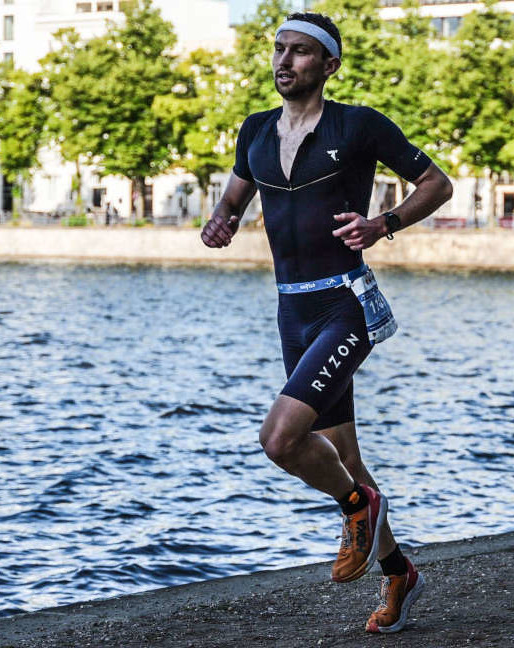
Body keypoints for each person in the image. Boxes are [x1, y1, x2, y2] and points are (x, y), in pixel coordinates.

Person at [200, 12, 452, 634]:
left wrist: (383, 223)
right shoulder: (255, 131)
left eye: (300, 52)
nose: (284, 61)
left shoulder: (357, 124)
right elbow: (233, 197)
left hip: (344, 305)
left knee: (281, 439)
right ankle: (398, 574)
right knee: (343, 457)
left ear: (329, 64)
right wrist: (221, 221)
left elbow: (436, 183)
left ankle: (356, 508)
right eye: (278, 49)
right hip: (292, 310)